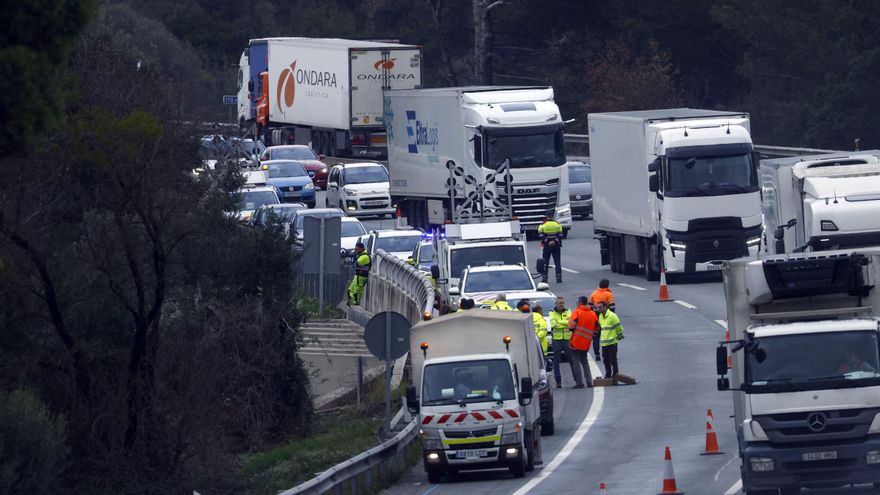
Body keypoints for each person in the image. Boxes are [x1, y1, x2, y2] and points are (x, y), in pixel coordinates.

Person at [567, 296, 597, 388]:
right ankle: (589, 382)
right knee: (584, 361)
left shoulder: (576, 312)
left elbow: (571, 327)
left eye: (577, 302)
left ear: (580, 302)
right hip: (586, 342)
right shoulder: (592, 313)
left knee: (576, 362)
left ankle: (579, 383)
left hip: (576, 342)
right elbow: (596, 329)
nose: (576, 303)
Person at [595, 300, 624, 379]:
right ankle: (608, 375)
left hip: (612, 342)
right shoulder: (600, 316)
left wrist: (620, 336)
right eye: (597, 307)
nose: (598, 309)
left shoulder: (612, 316)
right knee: (605, 361)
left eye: (600, 307)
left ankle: (615, 375)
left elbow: (618, 327)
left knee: (613, 360)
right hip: (604, 343)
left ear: (605, 307)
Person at [549, 297, 573, 388]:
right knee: (556, 361)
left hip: (567, 339)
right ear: (556, 303)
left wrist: (559, 321)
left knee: (572, 360)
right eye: (559, 303)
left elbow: (570, 323)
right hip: (557, 340)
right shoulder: (552, 312)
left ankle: (577, 379)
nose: (561, 304)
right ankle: (558, 381)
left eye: (562, 303)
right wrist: (565, 323)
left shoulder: (568, 311)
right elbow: (553, 324)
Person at [589, 279, 616, 361]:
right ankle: (607, 353)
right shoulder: (609, 294)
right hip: (605, 317)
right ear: (607, 285)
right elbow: (612, 307)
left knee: (596, 337)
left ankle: (597, 354)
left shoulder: (593, 293)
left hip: (595, 318)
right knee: (607, 336)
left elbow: (590, 307)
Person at [538, 216, 564, 283]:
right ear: (553, 217)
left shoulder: (543, 225)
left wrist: (547, 240)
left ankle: (545, 279)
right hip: (556, 245)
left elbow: (540, 235)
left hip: (546, 246)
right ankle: (559, 278)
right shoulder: (557, 224)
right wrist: (554, 241)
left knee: (545, 262)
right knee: (557, 262)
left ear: (547, 217)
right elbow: (561, 235)